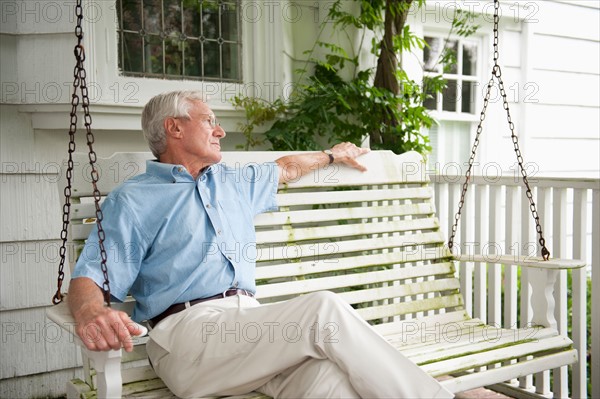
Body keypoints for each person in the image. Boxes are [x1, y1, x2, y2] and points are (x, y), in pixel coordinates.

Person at [69, 90, 453, 399]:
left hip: (251, 334)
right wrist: (91, 313)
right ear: (174, 128)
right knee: (323, 308)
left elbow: (287, 168)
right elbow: (90, 278)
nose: (220, 132)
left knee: (331, 384)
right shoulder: (133, 201)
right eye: (209, 122)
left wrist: (334, 154)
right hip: (189, 339)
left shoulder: (232, 182)